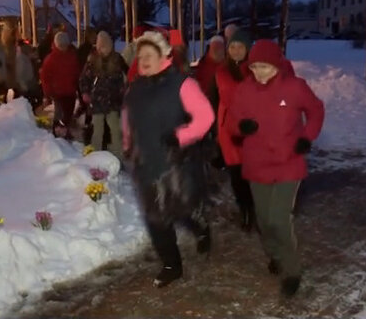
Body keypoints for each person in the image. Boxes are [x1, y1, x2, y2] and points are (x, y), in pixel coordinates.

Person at [225, 39, 324, 297]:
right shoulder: (245, 90)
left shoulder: (295, 87)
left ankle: (292, 271)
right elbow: (232, 121)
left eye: (265, 67)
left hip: (288, 162)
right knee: (264, 221)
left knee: (279, 220)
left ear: (277, 65)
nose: (260, 73)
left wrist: (307, 136)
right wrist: (240, 128)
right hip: (257, 164)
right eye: (255, 67)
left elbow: (316, 110)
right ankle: (275, 254)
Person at [122, 31, 215, 288]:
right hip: (146, 163)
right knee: (155, 218)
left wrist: (181, 136)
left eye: (150, 55)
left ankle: (200, 226)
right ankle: (171, 265)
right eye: (140, 57)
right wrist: (128, 144)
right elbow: (128, 119)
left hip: (177, 162)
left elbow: (206, 117)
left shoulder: (183, 83)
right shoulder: (135, 89)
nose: (144, 61)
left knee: (181, 208)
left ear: (164, 55)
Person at [214, 30, 256, 230]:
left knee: (254, 174)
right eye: (232, 47)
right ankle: (245, 211)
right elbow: (231, 95)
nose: (236, 50)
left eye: (240, 46)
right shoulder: (222, 72)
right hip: (229, 130)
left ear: (248, 48)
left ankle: (257, 210)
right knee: (237, 175)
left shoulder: (257, 70)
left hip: (253, 129)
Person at [79, 31, 127, 159]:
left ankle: (118, 158)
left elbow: (127, 75)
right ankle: (96, 158)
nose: (102, 50)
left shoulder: (117, 59)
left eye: (105, 47)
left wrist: (124, 90)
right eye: (100, 47)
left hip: (113, 101)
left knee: (115, 131)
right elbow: (84, 78)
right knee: (97, 131)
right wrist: (85, 92)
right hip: (97, 102)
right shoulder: (93, 60)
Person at [40, 31, 81, 139]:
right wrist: (48, 92)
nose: (63, 47)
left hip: (70, 90)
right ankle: (57, 131)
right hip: (57, 91)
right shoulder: (51, 59)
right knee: (60, 112)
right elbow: (45, 77)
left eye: (65, 45)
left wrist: (77, 84)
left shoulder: (71, 56)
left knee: (68, 112)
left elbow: (76, 71)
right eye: (61, 45)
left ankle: (64, 129)